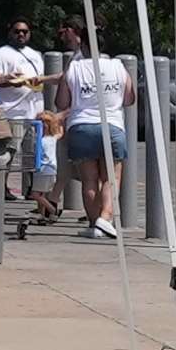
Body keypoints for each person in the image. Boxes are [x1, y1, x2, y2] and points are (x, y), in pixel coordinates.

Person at [55, 17, 133, 240]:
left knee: (89, 179)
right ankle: (106, 218)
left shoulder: (75, 68)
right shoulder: (118, 67)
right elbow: (129, 98)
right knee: (111, 177)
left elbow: (61, 103)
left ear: (84, 45)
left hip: (81, 126)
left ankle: (94, 225)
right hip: (112, 126)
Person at [0, 19, 50, 206]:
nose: (21, 35)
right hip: (12, 112)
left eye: (25, 31)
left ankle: (31, 190)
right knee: (10, 153)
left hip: (34, 112)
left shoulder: (35, 55)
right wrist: (14, 81)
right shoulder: (2, 54)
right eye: (17, 31)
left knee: (33, 154)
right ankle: (2, 188)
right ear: (10, 33)